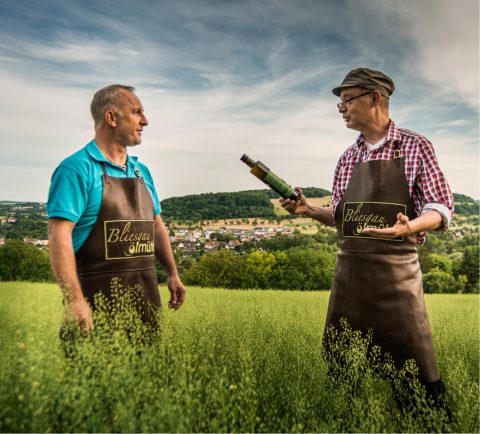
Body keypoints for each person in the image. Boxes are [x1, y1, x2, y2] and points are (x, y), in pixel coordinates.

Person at [280, 68, 453, 411]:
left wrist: (410, 227)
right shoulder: (347, 159)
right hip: (350, 283)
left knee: (418, 382)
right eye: (340, 103)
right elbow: (343, 219)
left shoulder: (416, 146)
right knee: (343, 379)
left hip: (397, 282)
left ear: (375, 98)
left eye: (347, 100)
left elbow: (440, 208)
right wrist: (309, 209)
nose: (341, 108)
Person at [47, 84, 186, 333]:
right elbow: (58, 235)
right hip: (94, 309)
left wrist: (172, 273)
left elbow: (156, 226)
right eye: (136, 112)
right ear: (111, 117)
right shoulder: (76, 169)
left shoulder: (141, 172)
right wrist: (74, 300)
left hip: (146, 306)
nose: (145, 121)